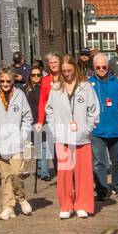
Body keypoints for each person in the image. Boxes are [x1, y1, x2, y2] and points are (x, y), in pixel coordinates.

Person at [44, 56, 99, 218]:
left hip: (82, 136)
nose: (67, 74)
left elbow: (94, 110)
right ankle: (66, 205)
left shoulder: (85, 87)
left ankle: (82, 204)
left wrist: (87, 129)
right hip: (62, 137)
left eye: (69, 70)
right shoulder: (56, 88)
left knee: (83, 173)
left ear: (75, 68)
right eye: (64, 71)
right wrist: (55, 128)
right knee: (64, 173)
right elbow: (50, 110)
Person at [0, 66, 34, 220]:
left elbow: (27, 118)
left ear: (13, 81)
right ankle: (8, 207)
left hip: (16, 142)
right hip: (0, 143)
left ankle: (21, 198)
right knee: (5, 176)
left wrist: (22, 135)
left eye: (8, 81)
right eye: (2, 81)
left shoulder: (19, 95)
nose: (5, 84)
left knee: (17, 173)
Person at [88, 52, 118, 197]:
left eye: (104, 67)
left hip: (115, 129)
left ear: (108, 66)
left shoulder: (117, 83)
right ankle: (102, 189)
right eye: (98, 67)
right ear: (94, 67)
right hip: (96, 130)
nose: (101, 69)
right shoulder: (88, 84)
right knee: (99, 162)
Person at [35, 53, 60, 181]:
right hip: (50, 119)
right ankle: (59, 173)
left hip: (65, 119)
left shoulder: (65, 77)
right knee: (52, 146)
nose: (53, 65)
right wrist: (40, 120)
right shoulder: (45, 80)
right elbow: (42, 101)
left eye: (55, 62)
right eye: (50, 63)